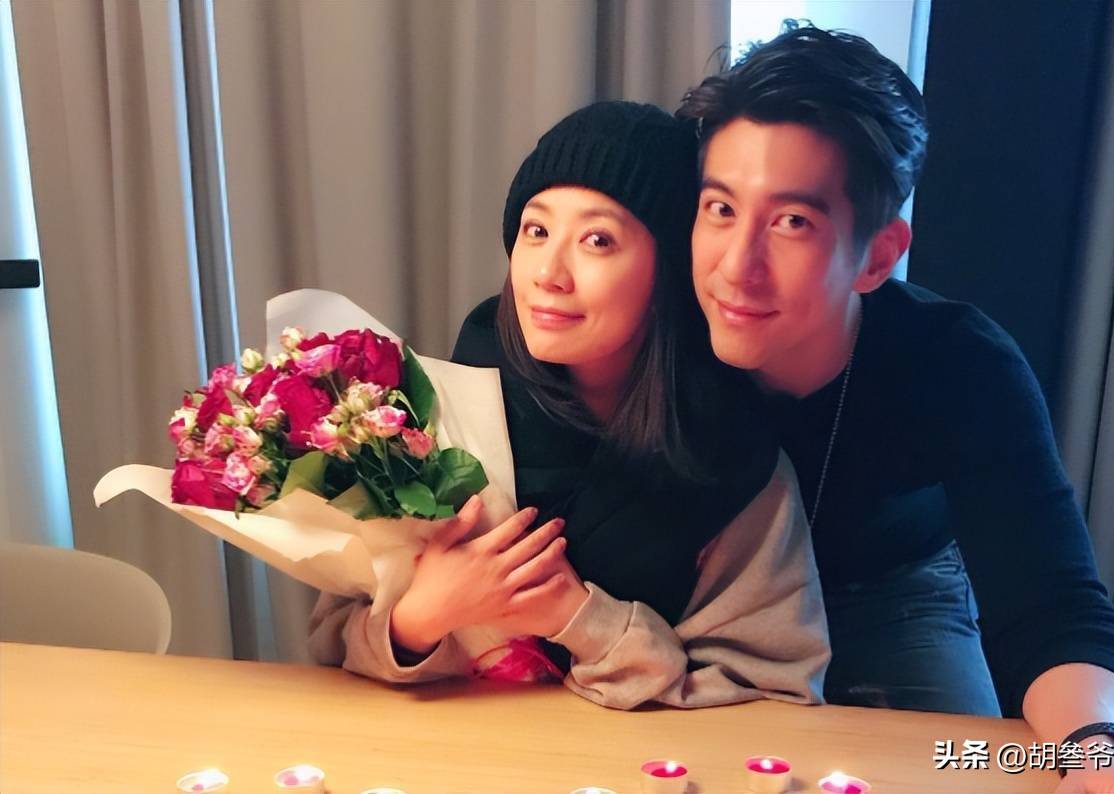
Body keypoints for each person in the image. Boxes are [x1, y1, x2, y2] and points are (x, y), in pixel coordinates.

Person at [678, 22, 1114, 787]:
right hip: (709, 603)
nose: (736, 267)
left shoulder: (959, 362)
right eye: (720, 209)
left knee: (963, 774)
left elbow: (1052, 605)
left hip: (894, 594)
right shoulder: (657, 326)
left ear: (879, 255)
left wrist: (1100, 748)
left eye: (793, 222)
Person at [308, 101, 830, 709]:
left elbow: (771, 691)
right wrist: (420, 616)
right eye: (536, 231)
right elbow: (329, 643)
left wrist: (575, 615)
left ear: (668, 271)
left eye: (597, 240)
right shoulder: (427, 421)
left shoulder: (730, 458)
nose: (549, 273)